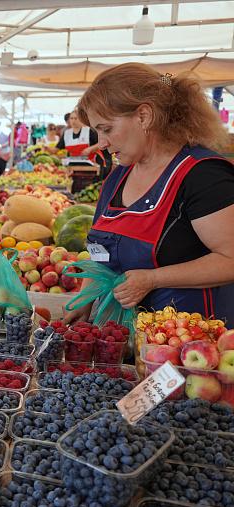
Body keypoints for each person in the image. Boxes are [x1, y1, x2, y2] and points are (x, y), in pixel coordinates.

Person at [64, 63, 234, 324]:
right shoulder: (117, 178)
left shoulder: (203, 175)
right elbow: (101, 251)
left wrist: (153, 279)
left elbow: (229, 259)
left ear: (144, 116)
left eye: (106, 129)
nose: (102, 143)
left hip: (190, 338)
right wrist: (87, 295)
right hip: (127, 338)